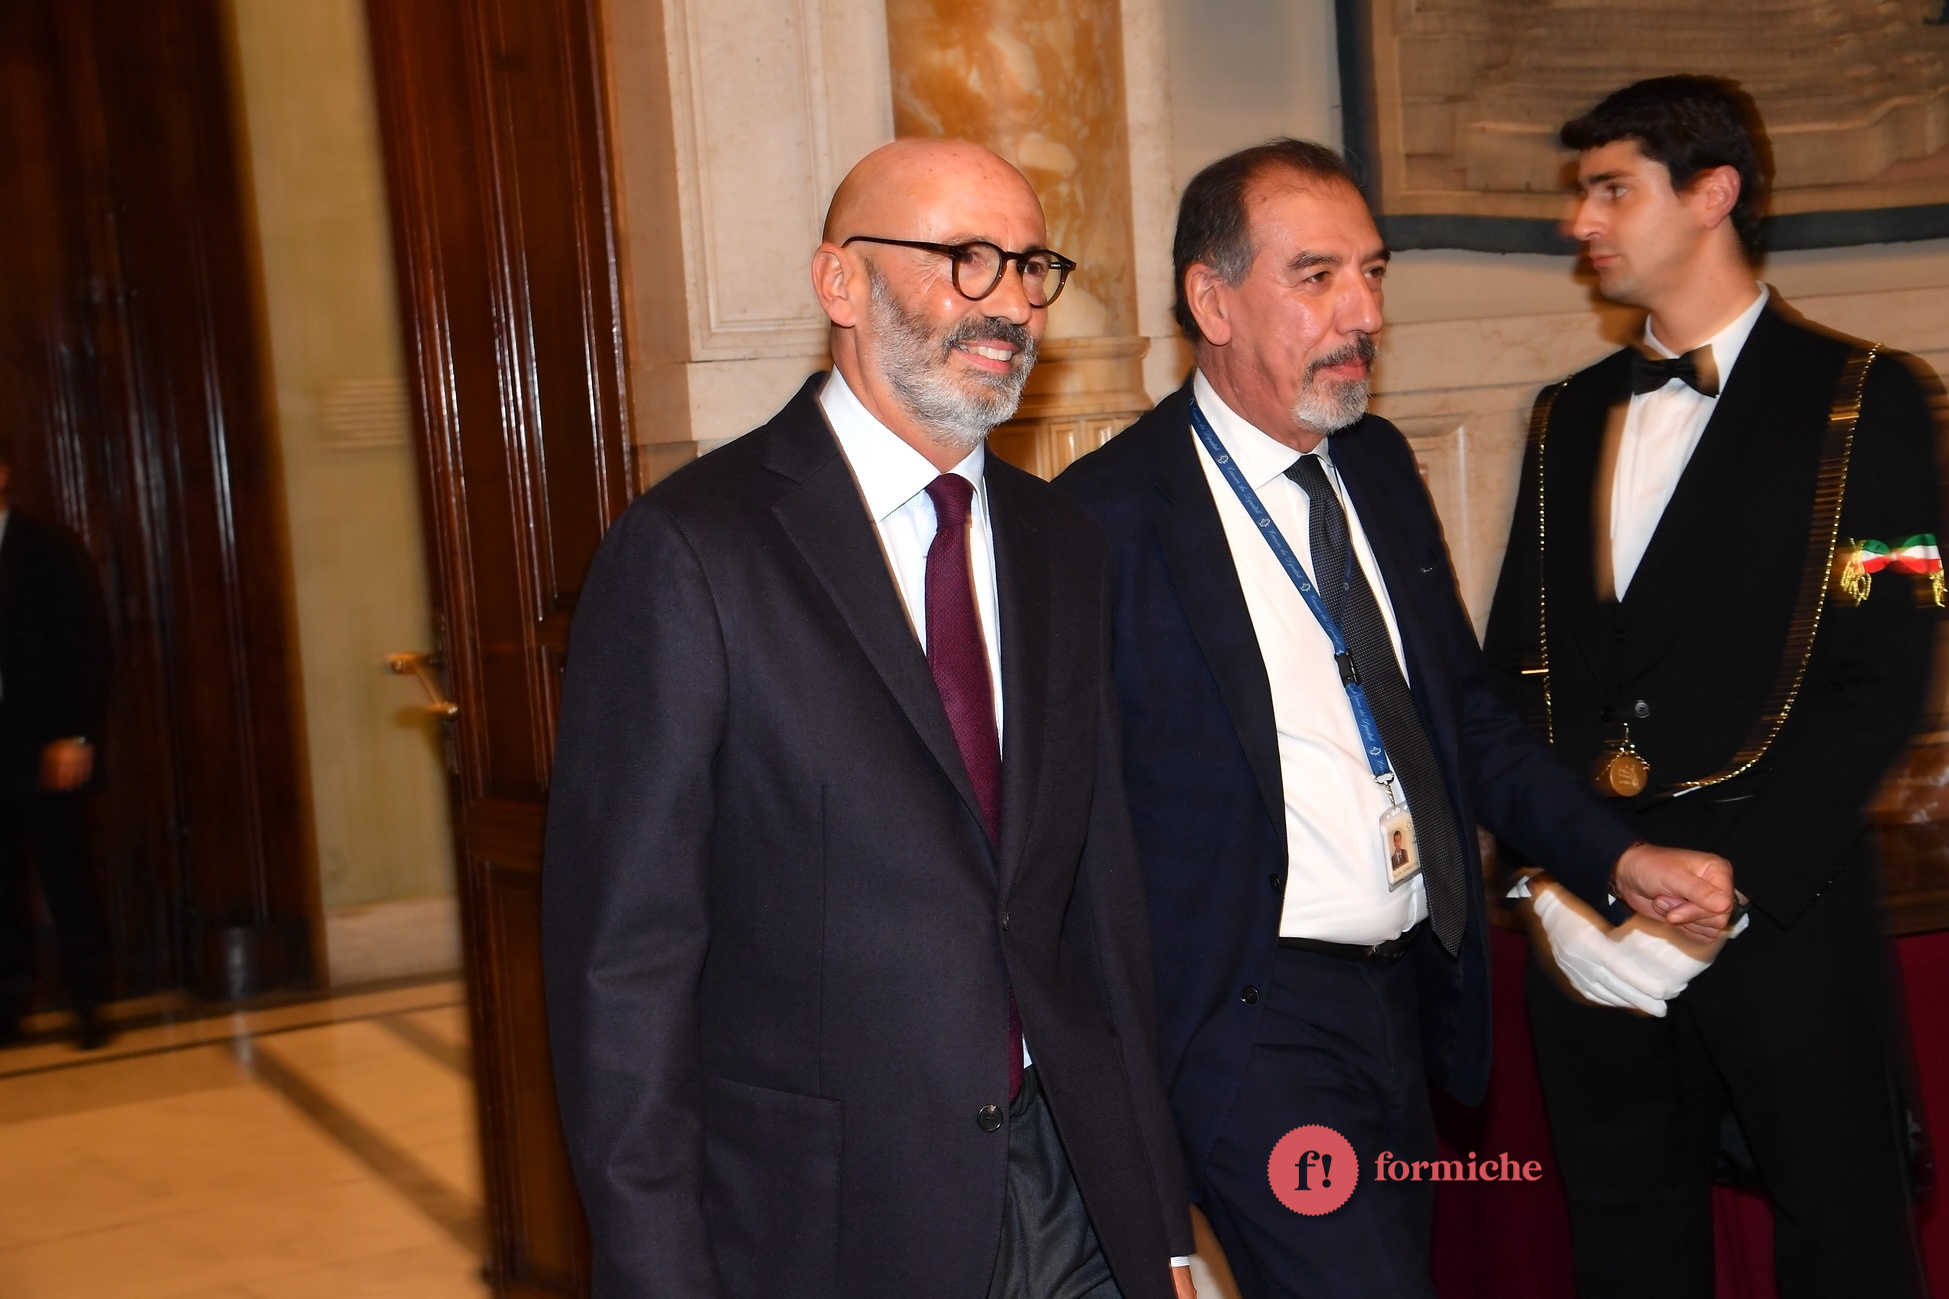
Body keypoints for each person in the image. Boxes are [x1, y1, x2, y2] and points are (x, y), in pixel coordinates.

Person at [1053, 138, 1735, 1299]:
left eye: (1371, 273)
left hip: (1400, 1001)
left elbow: (1461, 717)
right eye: (1315, 276)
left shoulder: (1370, 465)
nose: (1361, 312)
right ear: (1211, 301)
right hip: (1252, 1031)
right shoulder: (1103, 522)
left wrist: (1615, 857)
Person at [542, 139, 1197, 1299]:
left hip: (1070, 1184)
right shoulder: (694, 550)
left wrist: (1160, 1227)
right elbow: (624, 967)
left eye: (1028, 266)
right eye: (964, 259)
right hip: (830, 1217)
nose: (1009, 304)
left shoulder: (1060, 544)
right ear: (839, 282)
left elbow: (1100, 910)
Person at [1483, 76, 1939, 1298]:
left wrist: (1728, 897)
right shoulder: (1565, 416)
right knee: (1626, 1252)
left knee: (1842, 1253)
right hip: (1591, 922)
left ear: (1712, 193)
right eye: (1581, 193)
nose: (1579, 221)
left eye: (1609, 189)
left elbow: (1881, 677)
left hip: (1779, 914)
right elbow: (1513, 675)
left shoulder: (1866, 398)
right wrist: (1546, 884)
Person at [0, 443, 113, 1049]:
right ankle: (8, 1006)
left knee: (65, 875)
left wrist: (76, 735)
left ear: (2, 474)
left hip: (45, 743)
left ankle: (90, 1001)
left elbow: (87, 646)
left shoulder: (48, 548)